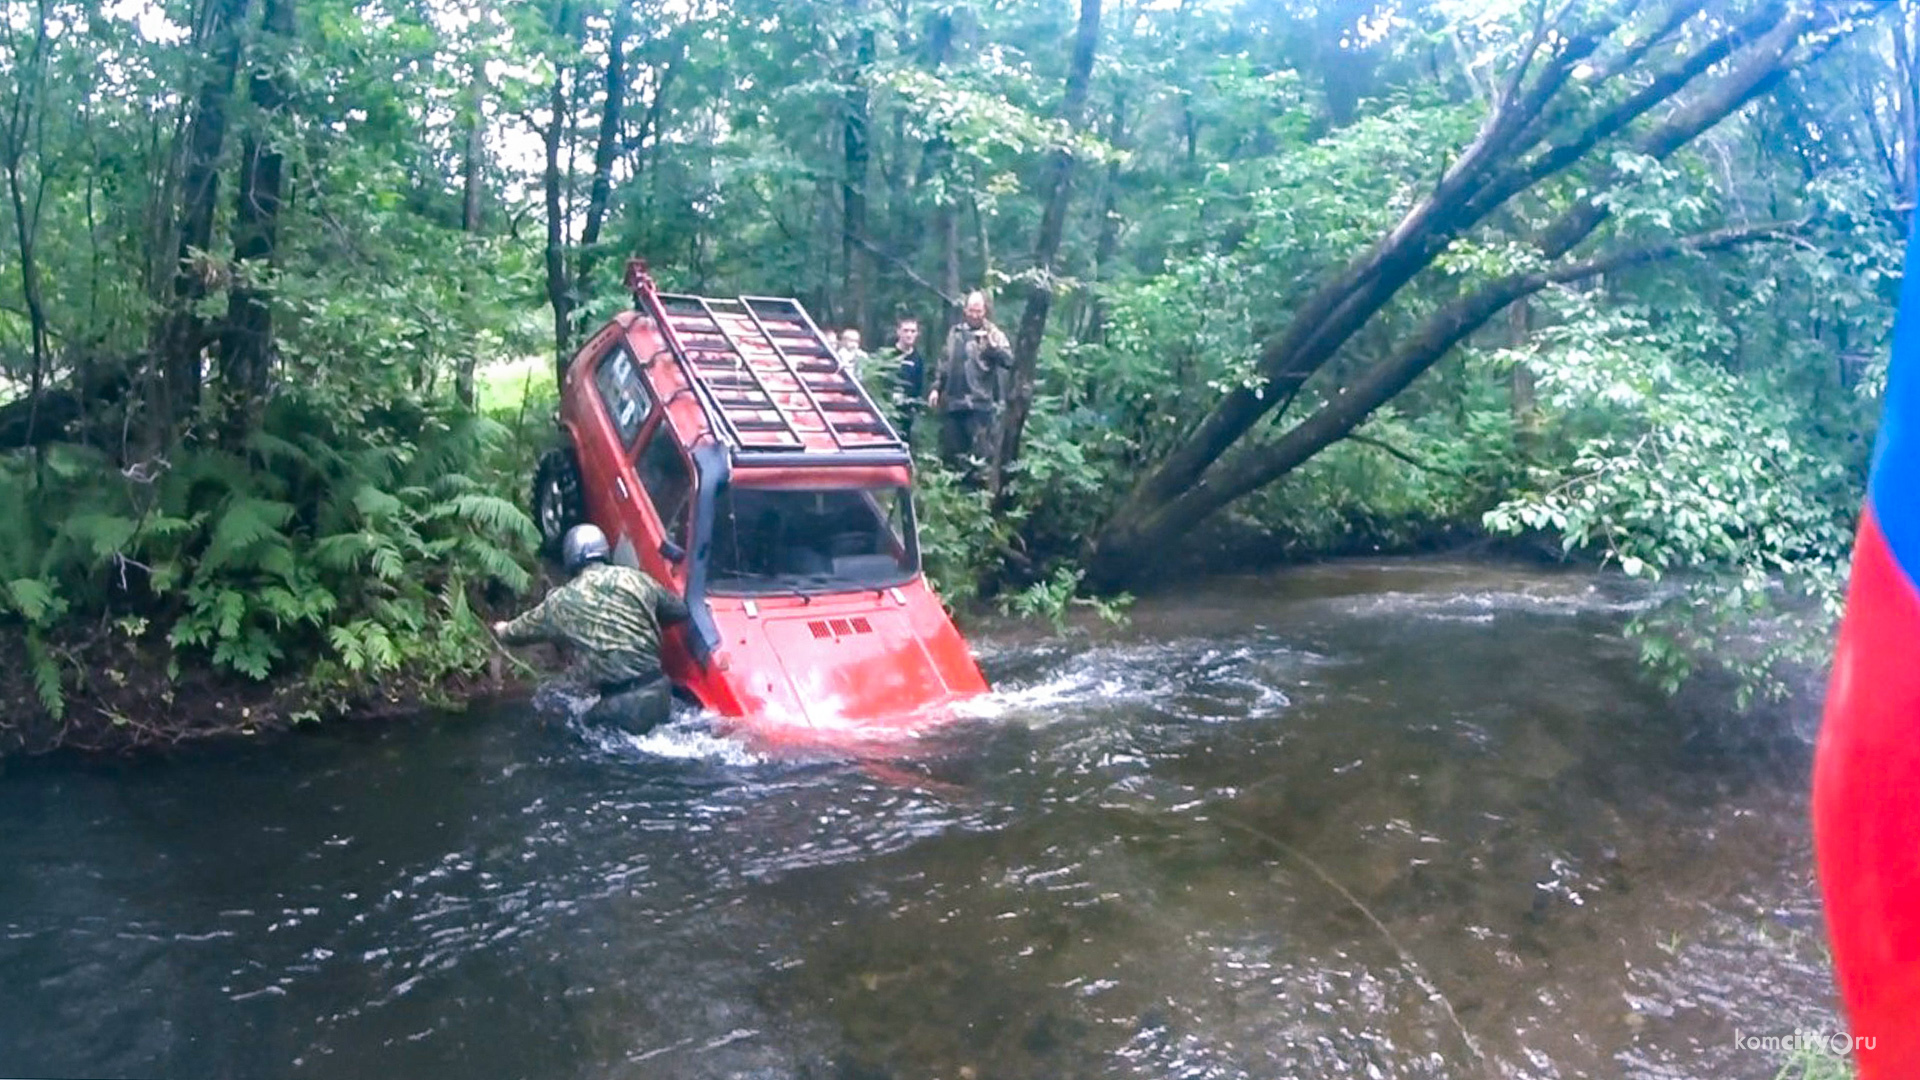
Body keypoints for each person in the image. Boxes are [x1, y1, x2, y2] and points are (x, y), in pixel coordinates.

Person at [491, 524, 690, 736]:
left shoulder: (561, 601)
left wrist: (501, 629)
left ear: (570, 556)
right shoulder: (635, 579)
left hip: (622, 704)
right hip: (660, 690)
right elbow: (679, 610)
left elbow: (518, 631)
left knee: (575, 733)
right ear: (604, 550)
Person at [929, 290, 1013, 477]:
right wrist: (936, 388)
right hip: (953, 402)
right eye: (971, 310)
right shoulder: (955, 332)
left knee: (980, 456)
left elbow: (1009, 361)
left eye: (979, 311)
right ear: (965, 310)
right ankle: (953, 498)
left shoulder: (993, 334)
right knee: (952, 454)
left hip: (979, 404)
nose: (975, 315)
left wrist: (993, 349)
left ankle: (976, 495)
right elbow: (944, 362)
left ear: (985, 311)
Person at [885, 315, 927, 440]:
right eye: (906, 331)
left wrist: (917, 409)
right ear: (898, 332)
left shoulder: (918, 358)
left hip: (909, 412)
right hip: (890, 411)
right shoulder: (888, 354)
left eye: (913, 331)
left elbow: (919, 386)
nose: (909, 334)